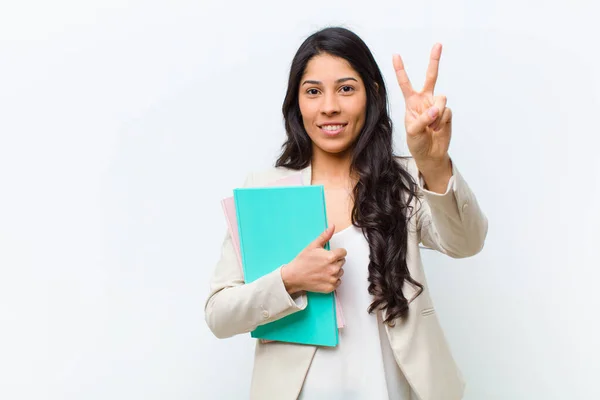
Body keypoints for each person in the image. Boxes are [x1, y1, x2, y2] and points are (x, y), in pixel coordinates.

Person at [204, 26, 488, 400]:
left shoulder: (402, 181)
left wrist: (434, 164)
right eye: (313, 91)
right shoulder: (266, 190)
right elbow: (219, 315)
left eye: (346, 88)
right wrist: (289, 279)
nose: (329, 107)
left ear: (371, 95)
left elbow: (466, 243)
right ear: (297, 102)